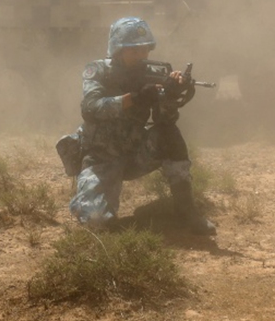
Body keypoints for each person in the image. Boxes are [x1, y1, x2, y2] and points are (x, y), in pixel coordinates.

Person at [62, 17, 216, 235]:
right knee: (96, 222)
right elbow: (90, 108)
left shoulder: (152, 75)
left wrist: (170, 97)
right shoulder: (98, 70)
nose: (141, 56)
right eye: (134, 51)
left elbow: (165, 121)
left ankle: (186, 210)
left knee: (169, 135)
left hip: (134, 154)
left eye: (145, 50)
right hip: (101, 158)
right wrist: (134, 98)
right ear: (118, 49)